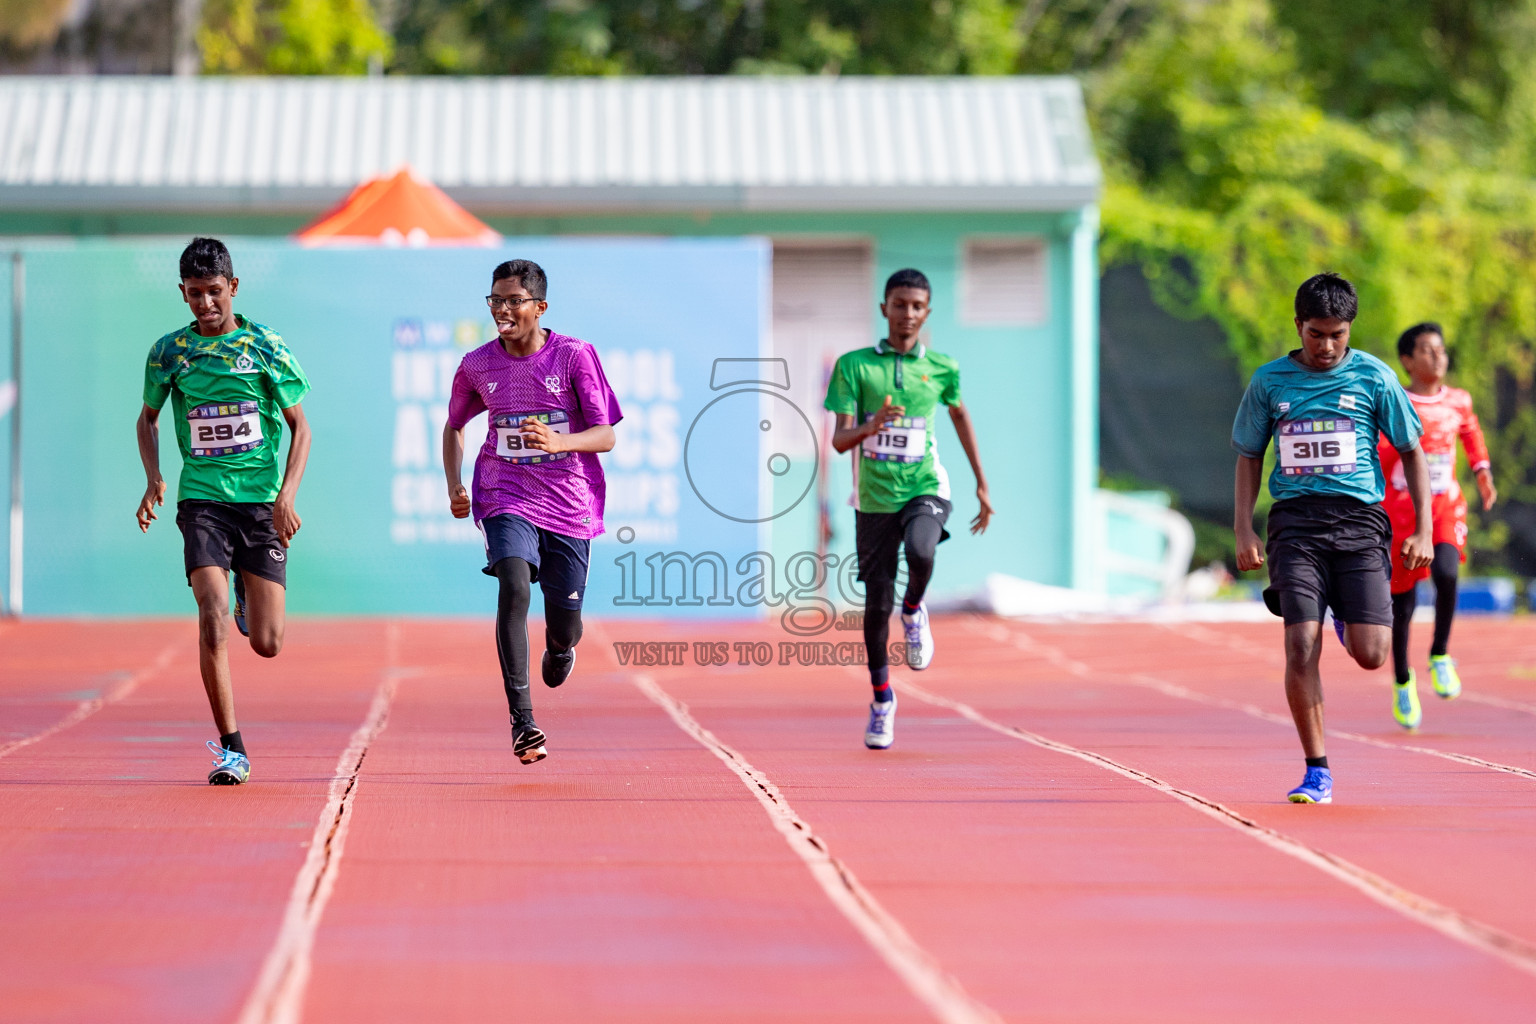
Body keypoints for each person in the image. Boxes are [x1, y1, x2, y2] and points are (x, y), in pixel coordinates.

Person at [1232, 272, 1432, 804]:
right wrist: (1243, 527)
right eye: (1316, 333)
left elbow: (1412, 450)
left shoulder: (1375, 377)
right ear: (1298, 326)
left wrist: (1424, 531)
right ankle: (1316, 770)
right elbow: (1249, 455)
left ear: (1350, 330)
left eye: (1337, 335)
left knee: (1372, 655)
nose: (1325, 346)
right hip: (1295, 524)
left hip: (1360, 523)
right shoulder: (1270, 382)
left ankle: (1347, 612)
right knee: (1300, 643)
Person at [135, 237, 312, 786]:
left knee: (267, 643)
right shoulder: (170, 352)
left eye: (214, 292)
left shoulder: (265, 345)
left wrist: (286, 495)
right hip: (203, 501)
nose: (206, 304)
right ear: (183, 293)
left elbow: (301, 426)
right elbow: (147, 419)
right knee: (209, 618)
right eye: (194, 294)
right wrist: (154, 478)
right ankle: (232, 749)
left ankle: (247, 591)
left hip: (259, 504)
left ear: (233, 287)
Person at [443, 259, 621, 765]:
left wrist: (561, 439)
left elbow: (606, 435)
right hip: (505, 491)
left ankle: (562, 646)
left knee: (565, 622)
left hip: (568, 501)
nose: (502, 310)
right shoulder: (478, 365)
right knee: (514, 585)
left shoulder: (574, 357)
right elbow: (453, 426)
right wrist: (455, 483)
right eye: (494, 300)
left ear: (539, 307)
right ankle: (523, 722)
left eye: (513, 301)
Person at [824, 268, 993, 751]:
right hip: (873, 497)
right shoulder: (855, 366)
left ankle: (915, 609)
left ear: (928, 312)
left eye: (917, 306)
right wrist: (872, 424)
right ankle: (882, 701)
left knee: (922, 551)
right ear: (884, 308)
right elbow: (839, 441)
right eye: (900, 304)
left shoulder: (941, 367)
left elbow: (960, 415)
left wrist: (982, 483)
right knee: (876, 605)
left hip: (924, 484)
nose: (908, 314)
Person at [1377, 323, 1496, 727]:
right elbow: (1378, 453)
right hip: (1401, 514)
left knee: (1447, 572)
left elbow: (1471, 433)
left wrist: (1482, 472)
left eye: (1441, 350)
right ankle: (1402, 680)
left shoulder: (1458, 400)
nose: (1437, 357)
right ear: (1408, 360)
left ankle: (1440, 653)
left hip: (1445, 507)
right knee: (1403, 604)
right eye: (1427, 351)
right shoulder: (1394, 402)